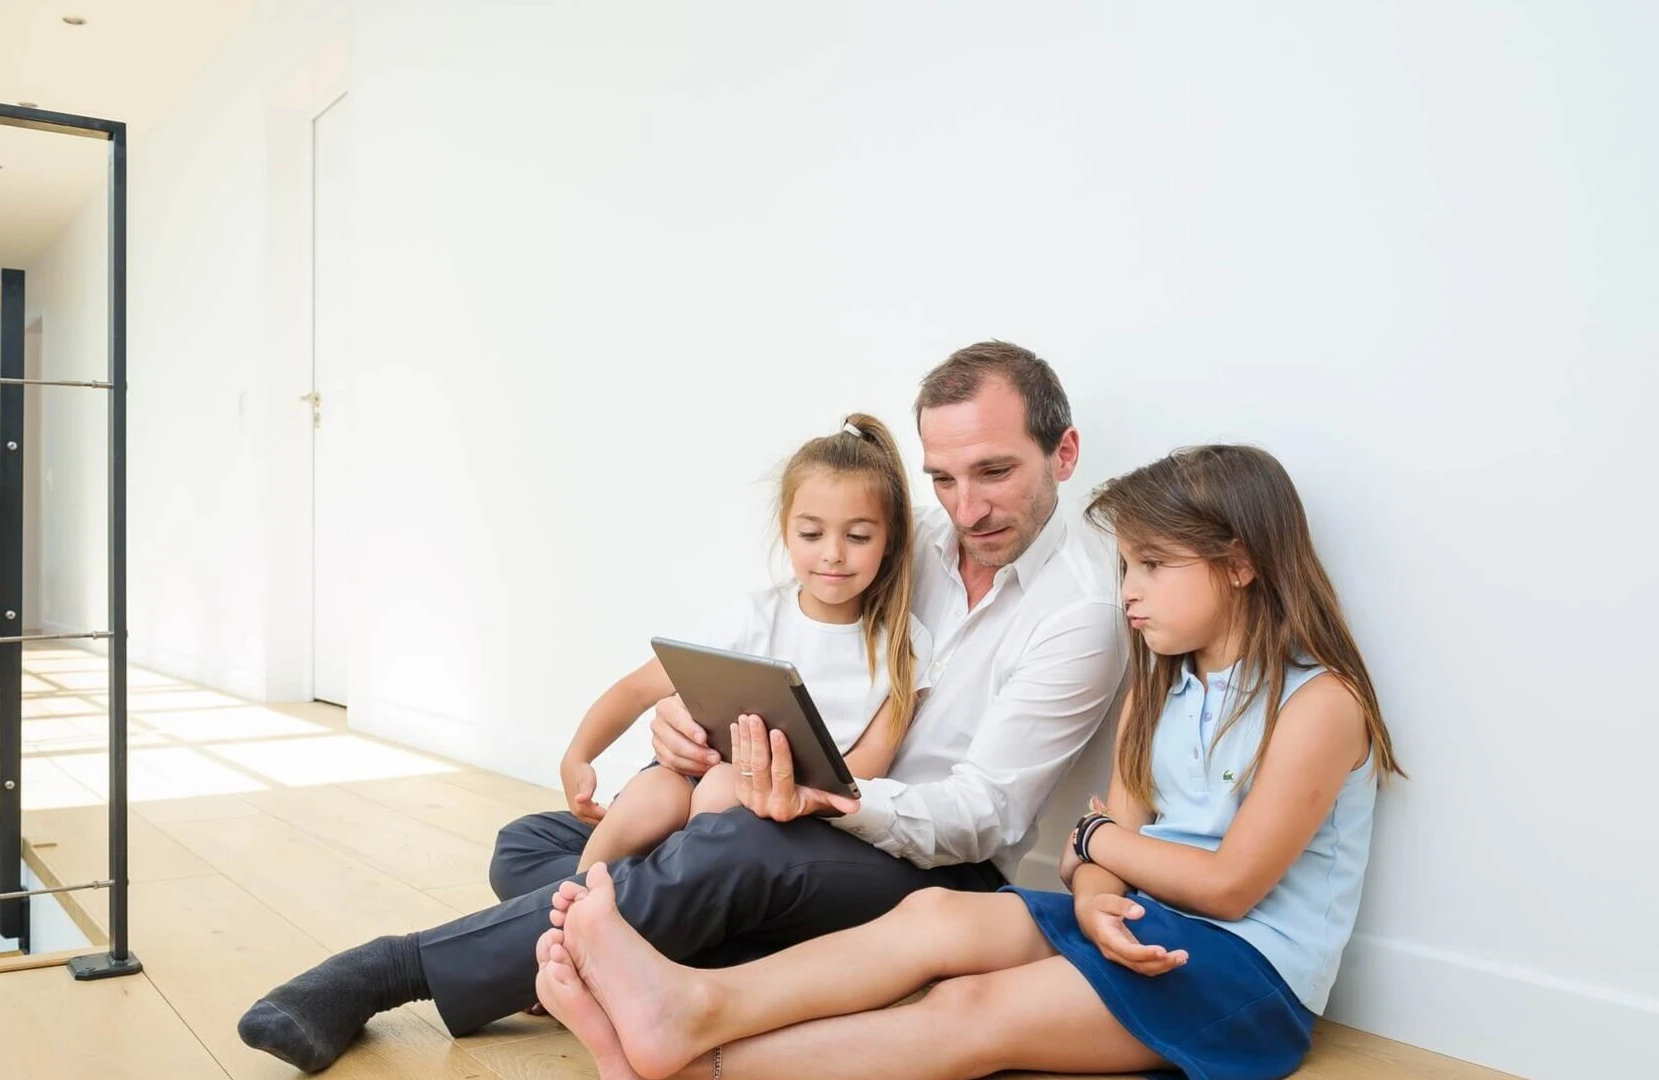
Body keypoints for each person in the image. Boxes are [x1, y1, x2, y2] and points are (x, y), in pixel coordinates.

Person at [237, 341, 1128, 1073]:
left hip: (926, 867)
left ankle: (396, 968)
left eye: (994, 473)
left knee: (724, 849)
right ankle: (708, 957)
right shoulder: (903, 540)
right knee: (537, 845)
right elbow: (794, 650)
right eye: (941, 477)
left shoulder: (1081, 613)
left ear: (1065, 454)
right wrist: (691, 729)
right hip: (786, 818)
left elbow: (980, 817)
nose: (966, 508)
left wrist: (831, 800)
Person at [529, 443, 1406, 1080]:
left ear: (1241, 565)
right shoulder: (1159, 687)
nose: (1127, 590)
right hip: (1140, 922)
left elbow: (1228, 888)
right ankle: (687, 1008)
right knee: (935, 922)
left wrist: (1098, 847)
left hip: (1243, 975)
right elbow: (1101, 848)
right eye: (1126, 565)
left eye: (1152, 566)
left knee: (967, 1014)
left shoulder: (1320, 703)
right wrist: (1099, 897)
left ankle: (700, 1066)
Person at [564, 412, 934, 874]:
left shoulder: (905, 645)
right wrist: (578, 754)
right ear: (786, 531)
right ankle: (569, 907)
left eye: (858, 536)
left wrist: (792, 792)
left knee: (722, 787)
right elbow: (639, 688)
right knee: (651, 795)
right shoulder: (756, 617)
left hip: (797, 808)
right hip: (698, 774)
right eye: (811, 534)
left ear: (890, 539)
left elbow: (866, 765)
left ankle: (669, 895)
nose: (833, 553)